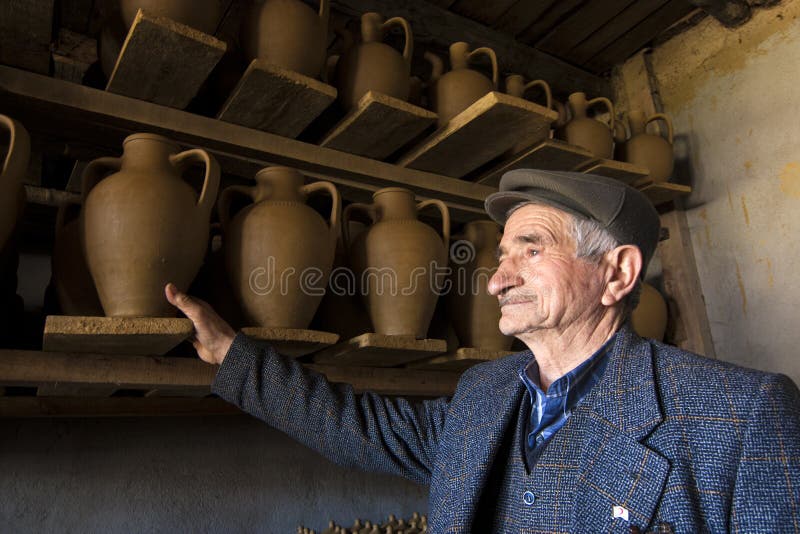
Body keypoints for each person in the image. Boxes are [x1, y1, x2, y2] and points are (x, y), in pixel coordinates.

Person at [165, 169, 800, 532]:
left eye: (531, 248)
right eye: (500, 256)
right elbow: (361, 427)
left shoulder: (744, 415)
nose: (498, 278)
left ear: (617, 274)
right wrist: (232, 355)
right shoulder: (483, 395)